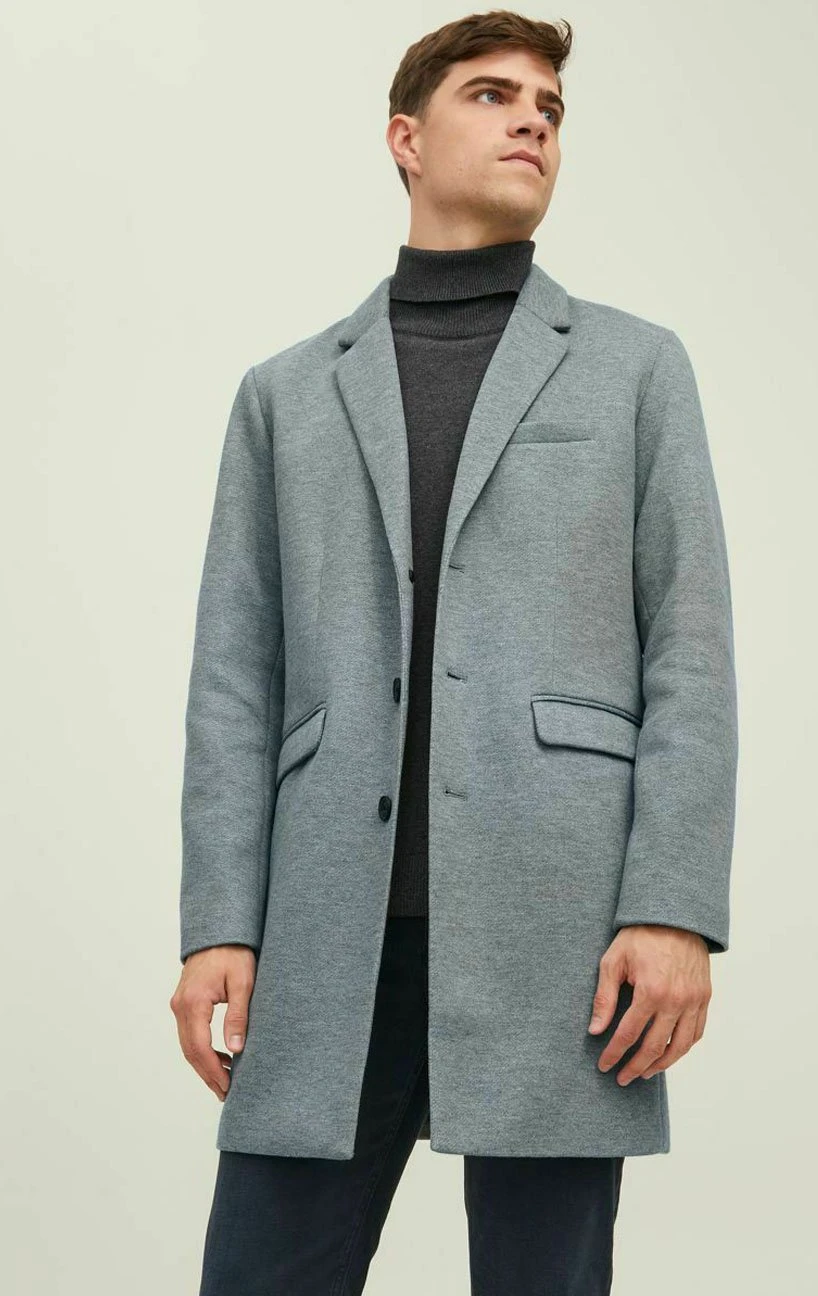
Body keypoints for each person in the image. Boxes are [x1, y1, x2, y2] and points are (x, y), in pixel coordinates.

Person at [170, 10, 739, 1295]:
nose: (533, 117)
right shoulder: (285, 394)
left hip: (562, 923)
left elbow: (691, 655)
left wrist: (672, 909)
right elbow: (234, 678)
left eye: (550, 105)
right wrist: (217, 922)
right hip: (326, 925)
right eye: (493, 94)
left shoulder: (636, 370)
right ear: (406, 139)